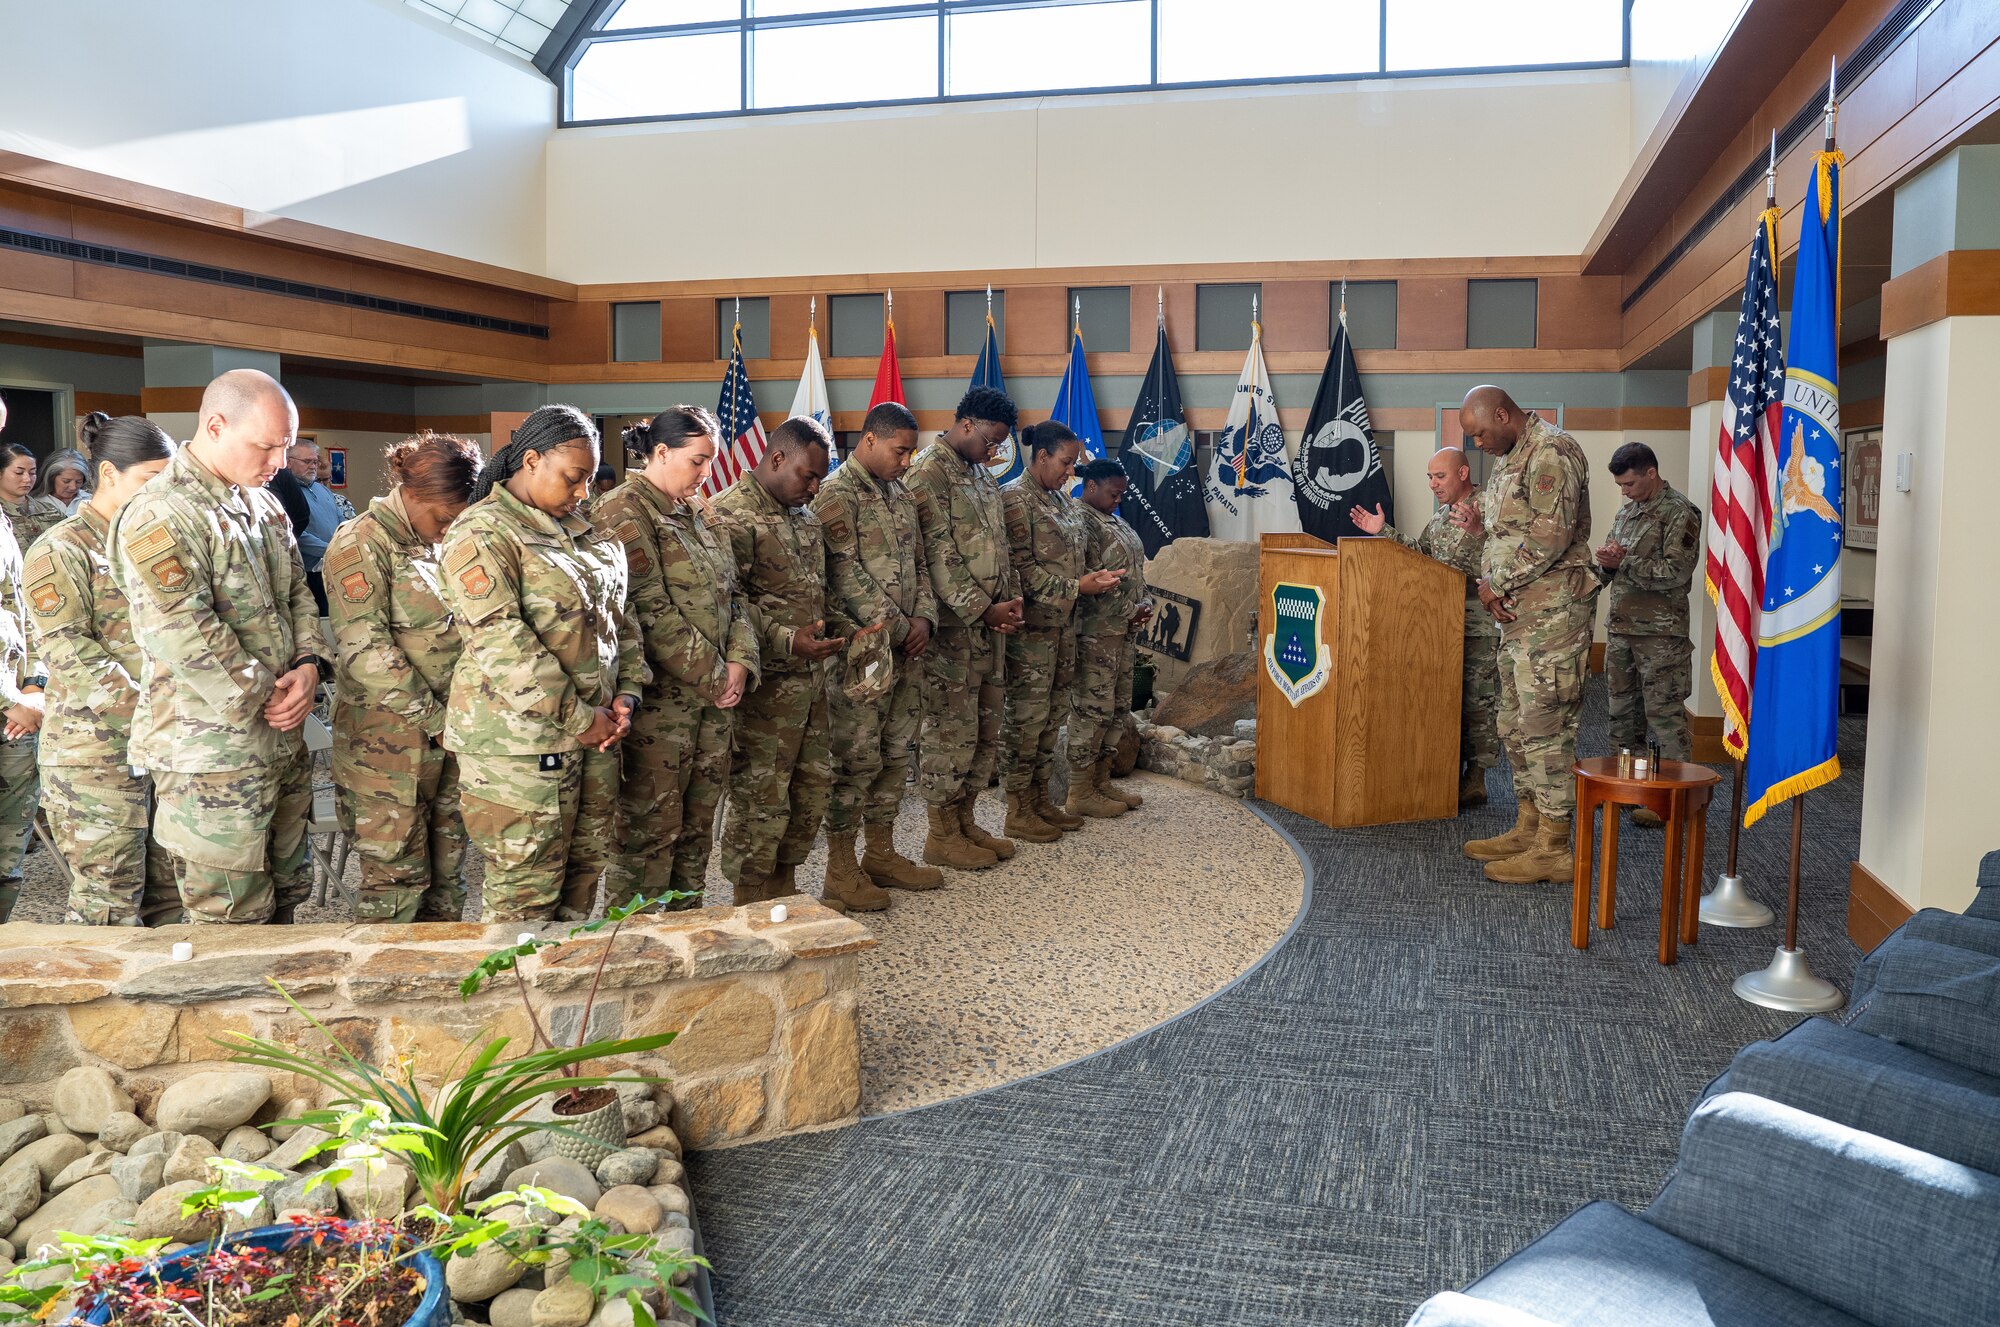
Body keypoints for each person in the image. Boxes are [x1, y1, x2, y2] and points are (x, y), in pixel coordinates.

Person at [110, 369, 329, 924]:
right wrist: (270, 695)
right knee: (230, 921)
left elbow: (298, 593)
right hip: (212, 758)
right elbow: (183, 630)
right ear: (214, 426)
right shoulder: (163, 512)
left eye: (285, 446)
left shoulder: (263, 506)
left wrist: (308, 667)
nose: (279, 461)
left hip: (278, 744)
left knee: (286, 903)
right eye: (266, 446)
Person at [439, 406, 646, 923]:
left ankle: (567, 999)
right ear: (531, 461)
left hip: (595, 736)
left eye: (590, 481)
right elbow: (503, 643)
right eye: (573, 478)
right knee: (525, 896)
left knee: (582, 882)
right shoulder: (483, 532)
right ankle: (515, 1004)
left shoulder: (583, 529)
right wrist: (581, 719)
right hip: (520, 747)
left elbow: (623, 617)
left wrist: (627, 693)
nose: (583, 492)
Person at [596, 406, 760, 909]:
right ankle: (629, 949)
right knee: (649, 836)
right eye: (698, 461)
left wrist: (739, 661)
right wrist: (715, 676)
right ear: (661, 453)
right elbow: (649, 609)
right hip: (660, 710)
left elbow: (736, 595)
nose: (706, 473)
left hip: (711, 707)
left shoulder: (700, 511)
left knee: (694, 835)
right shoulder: (624, 511)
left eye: (710, 461)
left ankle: (687, 935)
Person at [24, 414, 177, 925]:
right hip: (96, 757)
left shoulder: (155, 544)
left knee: (170, 898)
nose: (162, 494)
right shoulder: (60, 549)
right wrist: (148, 716)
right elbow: (69, 649)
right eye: (150, 481)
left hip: (164, 746)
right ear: (109, 474)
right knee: (108, 905)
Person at [325, 431, 482, 922]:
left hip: (447, 739)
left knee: (448, 879)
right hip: (386, 749)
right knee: (394, 886)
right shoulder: (361, 543)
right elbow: (365, 650)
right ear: (412, 494)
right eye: (443, 517)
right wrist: (437, 717)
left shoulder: (438, 543)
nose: (449, 528)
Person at [1450, 386, 1595, 885]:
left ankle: (1555, 847)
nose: (1478, 443)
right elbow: (1508, 533)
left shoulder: (1553, 450)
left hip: (1553, 618)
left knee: (1546, 728)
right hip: (1518, 622)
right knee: (1513, 726)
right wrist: (1477, 531)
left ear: (1503, 413)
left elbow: (1551, 535)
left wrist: (1495, 585)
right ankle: (1529, 827)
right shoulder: (1513, 456)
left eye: (1479, 433)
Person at [711, 416, 848, 905]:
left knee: (810, 792)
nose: (814, 488)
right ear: (775, 459)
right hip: (763, 690)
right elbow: (729, 605)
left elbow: (814, 593)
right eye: (807, 476)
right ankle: (749, 902)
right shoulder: (729, 516)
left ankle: (784, 891)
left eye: (820, 478)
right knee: (761, 798)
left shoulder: (805, 519)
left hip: (810, 685)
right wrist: (787, 640)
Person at [812, 401, 940, 912]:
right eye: (899, 450)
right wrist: (899, 623)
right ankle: (840, 868)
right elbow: (841, 573)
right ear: (868, 440)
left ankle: (881, 852)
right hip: (861, 652)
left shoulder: (901, 494)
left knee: (894, 753)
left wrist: (926, 616)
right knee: (856, 759)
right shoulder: (836, 495)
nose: (906, 460)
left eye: (911, 451)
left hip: (907, 648)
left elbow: (921, 563)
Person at [905, 387, 1025, 870]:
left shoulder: (979, 474)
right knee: (949, 732)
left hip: (989, 631)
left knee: (984, 729)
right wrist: (982, 608)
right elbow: (934, 555)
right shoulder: (927, 474)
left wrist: (1011, 602)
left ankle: (965, 820)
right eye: (991, 441)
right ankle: (940, 833)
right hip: (954, 632)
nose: (994, 452)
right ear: (968, 425)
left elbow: (1000, 546)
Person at [1351, 445, 1500, 808]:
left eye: (1440, 476)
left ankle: (1476, 777)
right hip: (1438, 626)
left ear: (1463, 474)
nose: (1433, 484)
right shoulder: (1441, 518)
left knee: (1477, 704)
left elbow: (1510, 555)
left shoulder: (1491, 508)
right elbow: (1423, 557)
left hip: (1476, 627)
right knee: (1442, 701)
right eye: (1430, 477)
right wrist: (1382, 531)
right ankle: (1443, 770)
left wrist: (1480, 532)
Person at [1001, 421, 1126, 838]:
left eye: (1073, 463)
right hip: (1032, 636)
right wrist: (1079, 586)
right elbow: (1023, 573)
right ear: (1041, 457)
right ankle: (1018, 810)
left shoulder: (1062, 502)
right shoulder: (1016, 501)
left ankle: (1041, 801)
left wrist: (1098, 579)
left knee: (1051, 720)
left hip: (1064, 632)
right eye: (1066, 462)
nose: (1071, 471)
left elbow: (1076, 560)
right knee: (1025, 722)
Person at [1596, 441, 1702, 828]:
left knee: (1664, 717)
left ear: (1651, 473)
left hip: (1661, 635)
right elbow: (1615, 566)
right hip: (1622, 628)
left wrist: (1625, 561)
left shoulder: (1680, 513)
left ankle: (1676, 800)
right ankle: (1630, 789)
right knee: (1622, 716)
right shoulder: (1628, 513)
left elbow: (1675, 571)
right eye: (1621, 486)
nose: (1624, 491)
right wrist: (1607, 564)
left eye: (1629, 484)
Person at [1069, 459, 1152, 817]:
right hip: (1096, 633)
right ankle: (1079, 789)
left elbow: (1135, 569)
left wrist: (1145, 601)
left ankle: (1101, 780)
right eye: (1113, 493)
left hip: (1122, 633)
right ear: (1091, 487)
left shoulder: (1114, 520)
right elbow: (1089, 576)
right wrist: (1129, 609)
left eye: (1122, 493)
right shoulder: (1080, 520)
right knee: (1092, 709)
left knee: (1117, 707)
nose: (1119, 499)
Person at [0, 402, 44, 921]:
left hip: (17, 709)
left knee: (8, 854)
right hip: (9, 704)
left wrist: (34, 685)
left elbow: (19, 603)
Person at [286, 440, 343, 616]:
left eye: (315, 462)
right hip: (308, 574)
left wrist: (342, 544)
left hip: (333, 567)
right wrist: (330, 549)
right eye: (307, 462)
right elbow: (294, 533)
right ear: (289, 462)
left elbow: (339, 519)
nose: (313, 467)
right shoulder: (286, 492)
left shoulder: (323, 490)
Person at [0, 444, 70, 552]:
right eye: (19, 473)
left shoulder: (51, 512)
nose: (27, 479)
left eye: (32, 473)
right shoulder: (2, 516)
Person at [37, 449, 92, 516]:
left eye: (78, 482)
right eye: (66, 481)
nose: (73, 487)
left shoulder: (90, 501)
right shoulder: (37, 503)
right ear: (52, 477)